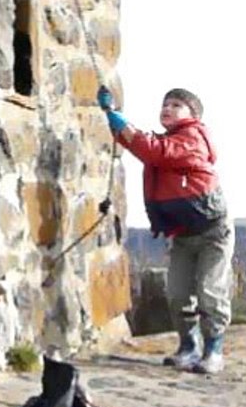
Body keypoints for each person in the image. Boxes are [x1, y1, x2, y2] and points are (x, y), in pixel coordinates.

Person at [98, 85, 233, 374]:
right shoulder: (165, 141)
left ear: (192, 114)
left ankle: (214, 350)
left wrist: (122, 122)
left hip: (213, 231)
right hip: (183, 233)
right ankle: (188, 346)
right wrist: (112, 116)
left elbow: (156, 151)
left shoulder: (193, 137)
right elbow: (145, 146)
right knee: (178, 294)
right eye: (165, 104)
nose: (168, 108)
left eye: (176, 105)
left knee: (210, 292)